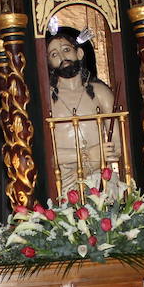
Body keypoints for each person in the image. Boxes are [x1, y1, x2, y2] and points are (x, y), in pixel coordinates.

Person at [45, 28, 120, 191]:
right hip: (65, 181)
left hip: (101, 178)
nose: (63, 57)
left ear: (79, 53)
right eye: (54, 54)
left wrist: (92, 164)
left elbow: (117, 145)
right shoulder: (47, 100)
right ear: (50, 64)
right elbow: (48, 155)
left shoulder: (101, 93)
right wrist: (90, 155)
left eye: (66, 50)